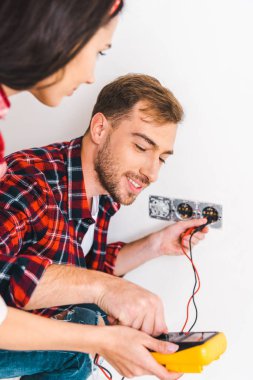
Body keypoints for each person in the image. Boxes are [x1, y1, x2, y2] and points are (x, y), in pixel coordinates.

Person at [0, 1, 185, 379]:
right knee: (83, 328)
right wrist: (105, 296)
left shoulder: (102, 197)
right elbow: (5, 279)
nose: (151, 172)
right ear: (100, 130)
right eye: (141, 147)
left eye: (162, 158)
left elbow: (83, 266)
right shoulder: (30, 180)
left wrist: (156, 245)